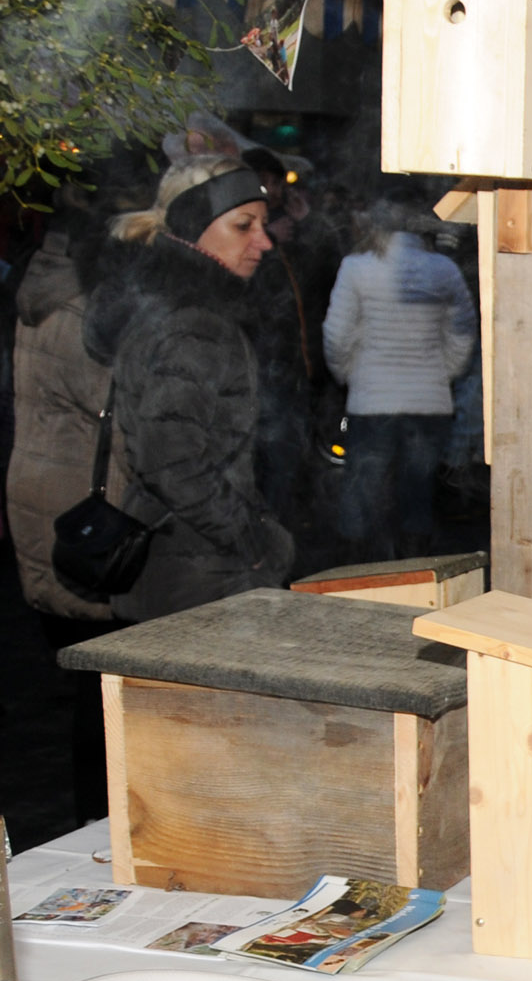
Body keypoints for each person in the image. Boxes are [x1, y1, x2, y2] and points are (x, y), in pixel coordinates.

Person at [83, 154, 295, 620]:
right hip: (198, 575)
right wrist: (253, 541)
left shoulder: (171, 304)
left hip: (178, 561)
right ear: (193, 227)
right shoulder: (195, 324)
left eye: (264, 224)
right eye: (243, 225)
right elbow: (171, 461)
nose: (263, 241)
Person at [7, 203, 128, 817]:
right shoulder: (85, 311)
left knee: (81, 676)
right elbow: (116, 405)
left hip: (40, 490)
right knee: (100, 684)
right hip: (83, 505)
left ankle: (91, 814)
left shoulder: (38, 290)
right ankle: (98, 819)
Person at [323, 194, 476, 560]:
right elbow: (463, 331)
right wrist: (443, 373)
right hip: (430, 403)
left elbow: (337, 335)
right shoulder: (444, 269)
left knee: (362, 493)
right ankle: (414, 569)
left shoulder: (356, 267)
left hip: (372, 401)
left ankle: (358, 569)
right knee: (417, 495)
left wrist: (349, 374)